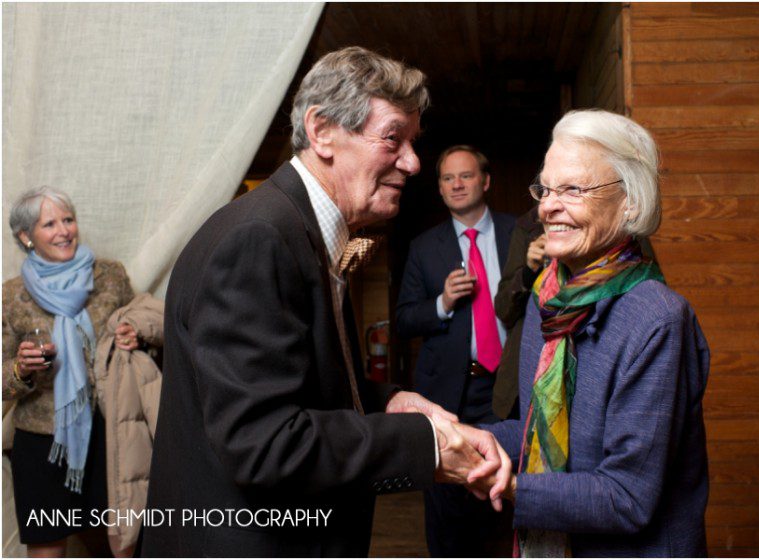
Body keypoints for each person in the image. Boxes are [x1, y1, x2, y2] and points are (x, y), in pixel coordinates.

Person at [140, 47, 510, 558]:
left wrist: (390, 402)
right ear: (322, 131)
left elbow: (301, 385)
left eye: (412, 142)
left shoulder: (303, 229)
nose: (413, 162)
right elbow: (266, 444)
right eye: (392, 139)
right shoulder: (259, 240)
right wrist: (424, 444)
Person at [485, 109, 710, 557]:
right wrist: (470, 441)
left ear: (631, 201)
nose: (547, 206)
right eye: (545, 189)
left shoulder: (658, 319)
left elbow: (627, 498)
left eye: (572, 189)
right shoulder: (546, 297)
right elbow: (541, 431)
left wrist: (508, 486)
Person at [2, 186, 139, 557]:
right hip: (44, 446)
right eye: (50, 224)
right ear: (26, 237)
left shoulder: (109, 275)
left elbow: (141, 329)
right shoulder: (11, 295)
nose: (64, 231)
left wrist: (135, 335)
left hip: (108, 433)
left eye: (68, 220)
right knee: (48, 548)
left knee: (123, 543)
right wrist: (20, 368)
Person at [396, 145, 515, 556]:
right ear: (441, 189)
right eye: (448, 178)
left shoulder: (520, 233)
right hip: (450, 393)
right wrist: (442, 303)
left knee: (507, 496)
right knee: (448, 508)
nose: (457, 184)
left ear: (485, 181)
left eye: (465, 176)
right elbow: (405, 320)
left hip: (508, 390)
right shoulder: (424, 247)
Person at [492, 206, 545, 421]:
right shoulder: (529, 224)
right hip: (523, 375)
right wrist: (528, 271)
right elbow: (504, 310)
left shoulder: (606, 225)